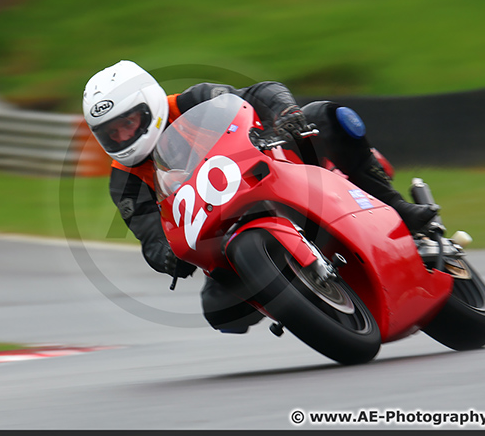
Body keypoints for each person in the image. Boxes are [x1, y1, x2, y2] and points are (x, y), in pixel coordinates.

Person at [82, 60, 437, 334]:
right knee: (220, 313)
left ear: (150, 105)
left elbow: (260, 93)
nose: (123, 135)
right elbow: (148, 235)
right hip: (220, 232)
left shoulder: (194, 101)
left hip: (272, 171)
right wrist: (167, 256)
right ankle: (294, 299)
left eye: (128, 122)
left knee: (328, 117)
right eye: (111, 132)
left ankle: (399, 208)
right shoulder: (124, 180)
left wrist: (286, 114)